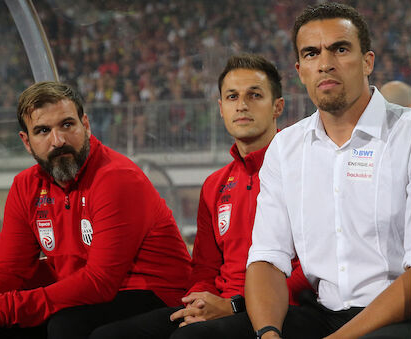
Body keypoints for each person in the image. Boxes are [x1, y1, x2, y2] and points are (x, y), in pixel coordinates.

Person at [244, 3, 411, 339]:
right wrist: (268, 334)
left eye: (340, 49)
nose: (326, 64)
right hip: (323, 313)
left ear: (367, 62)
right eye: (312, 54)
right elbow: (267, 260)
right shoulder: (285, 148)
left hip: (407, 319)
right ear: (301, 71)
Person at [0, 82, 192, 339]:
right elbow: (9, 269)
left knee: (64, 327)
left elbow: (100, 281)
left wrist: (2, 309)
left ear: (86, 124)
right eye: (43, 131)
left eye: (67, 125)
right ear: (26, 142)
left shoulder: (117, 178)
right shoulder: (25, 186)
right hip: (91, 297)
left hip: (159, 296)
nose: (58, 140)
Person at [89, 54, 311, 339]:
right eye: (232, 97)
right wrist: (196, 303)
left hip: (279, 309)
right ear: (221, 108)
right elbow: (204, 268)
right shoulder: (214, 185)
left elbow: (310, 269)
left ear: (277, 106)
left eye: (254, 95)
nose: (242, 105)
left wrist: (235, 305)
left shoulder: (303, 170)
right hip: (220, 305)